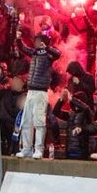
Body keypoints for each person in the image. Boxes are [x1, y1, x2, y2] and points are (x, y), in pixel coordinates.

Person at [17, 30, 61, 158]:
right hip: (30, 91)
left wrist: (47, 48)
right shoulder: (34, 53)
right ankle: (26, 149)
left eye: (37, 41)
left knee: (39, 121)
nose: (34, 43)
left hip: (41, 92)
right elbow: (23, 48)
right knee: (26, 121)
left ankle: (39, 149)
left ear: (42, 42)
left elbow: (58, 54)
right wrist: (18, 39)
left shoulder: (49, 55)